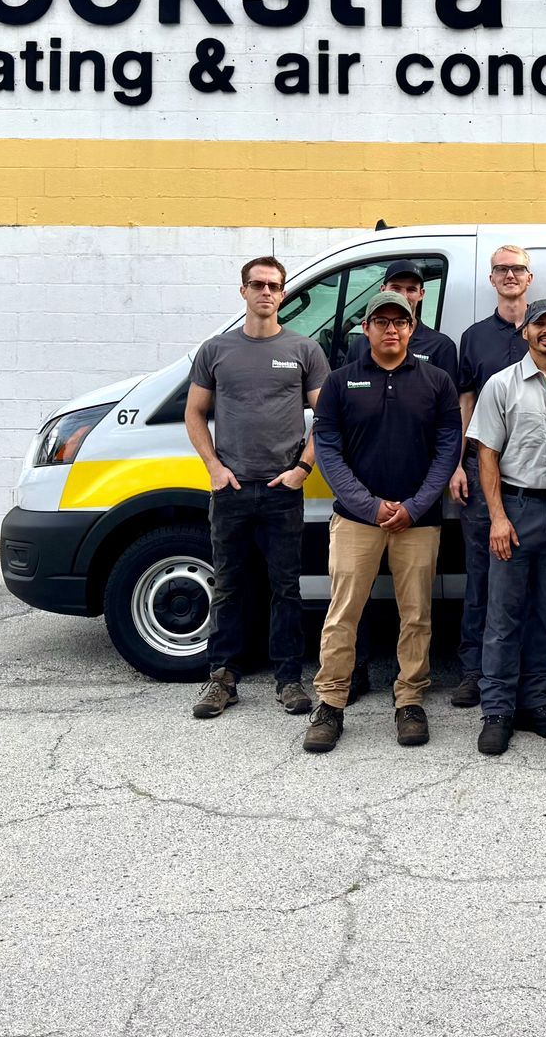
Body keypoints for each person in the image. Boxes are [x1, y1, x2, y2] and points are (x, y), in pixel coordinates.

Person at [303, 290, 462, 753]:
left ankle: (410, 700)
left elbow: (447, 446)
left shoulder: (436, 382)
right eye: (381, 321)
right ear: (366, 328)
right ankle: (330, 703)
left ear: (412, 329)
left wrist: (414, 505)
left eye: (400, 321)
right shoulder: (339, 382)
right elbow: (328, 450)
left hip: (419, 520)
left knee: (416, 615)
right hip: (356, 520)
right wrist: (368, 505)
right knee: (342, 614)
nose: (391, 329)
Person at [186, 256, 329, 720]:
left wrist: (302, 470)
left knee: (285, 587)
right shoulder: (216, 350)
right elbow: (194, 413)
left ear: (283, 294)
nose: (266, 292)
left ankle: (289, 679)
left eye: (274, 286)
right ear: (243, 292)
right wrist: (213, 466)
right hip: (229, 488)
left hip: (280, 489)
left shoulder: (304, 350)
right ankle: (222, 678)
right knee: (228, 585)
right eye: (257, 285)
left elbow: (326, 419)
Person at [466, 299, 546, 754]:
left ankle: (534, 702)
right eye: (540, 323)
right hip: (517, 510)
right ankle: (498, 710)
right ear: (525, 331)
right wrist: (498, 517)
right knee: (503, 616)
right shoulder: (501, 386)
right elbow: (487, 455)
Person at [450, 244, 535, 709]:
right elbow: (466, 401)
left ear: (529, 277)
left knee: (535, 578)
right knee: (480, 575)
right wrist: (458, 463)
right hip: (482, 470)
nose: (509, 275)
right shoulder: (475, 337)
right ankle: (472, 671)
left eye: (516, 268)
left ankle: (532, 673)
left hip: (535, 476)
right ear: (491, 278)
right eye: (501, 269)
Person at [345, 259, 461, 384]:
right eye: (396, 288)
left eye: (411, 290)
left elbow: (447, 399)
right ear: (383, 289)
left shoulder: (441, 346)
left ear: (421, 294)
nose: (403, 296)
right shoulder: (360, 344)